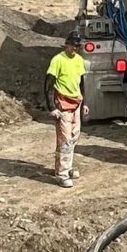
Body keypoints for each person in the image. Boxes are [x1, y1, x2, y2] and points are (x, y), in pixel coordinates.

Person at [45, 31, 88, 188]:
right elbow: (49, 85)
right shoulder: (57, 60)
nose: (75, 49)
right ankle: (62, 174)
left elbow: (81, 83)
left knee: (74, 136)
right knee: (65, 139)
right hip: (62, 104)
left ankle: (66, 167)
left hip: (76, 103)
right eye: (73, 46)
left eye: (77, 46)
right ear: (67, 45)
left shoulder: (79, 60)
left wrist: (84, 103)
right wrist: (52, 107)